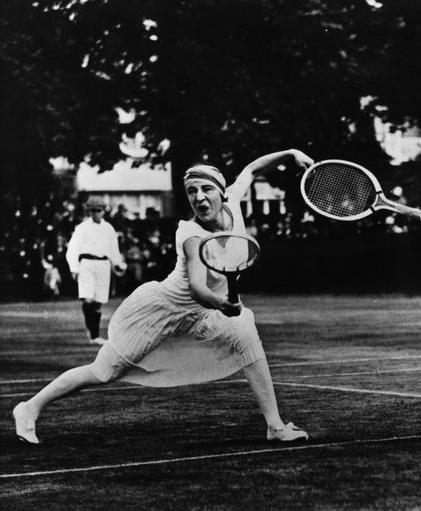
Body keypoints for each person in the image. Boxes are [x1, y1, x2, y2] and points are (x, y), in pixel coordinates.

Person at [13, 150, 314, 445]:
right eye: (191, 191)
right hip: (164, 311)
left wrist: (290, 154)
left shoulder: (234, 202)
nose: (199, 197)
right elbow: (197, 288)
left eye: (207, 189)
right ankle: (29, 407)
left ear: (223, 193)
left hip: (202, 315)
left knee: (246, 335)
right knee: (104, 372)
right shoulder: (191, 234)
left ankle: (274, 426)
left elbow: (251, 169)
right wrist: (222, 303)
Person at [65, 197, 127, 344]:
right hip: (86, 263)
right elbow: (72, 249)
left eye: (98, 210)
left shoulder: (108, 228)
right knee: (88, 299)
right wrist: (74, 268)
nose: (95, 213)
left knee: (98, 301)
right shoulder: (82, 228)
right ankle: (93, 334)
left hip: (103, 264)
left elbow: (114, 250)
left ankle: (95, 335)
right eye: (92, 211)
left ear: (103, 211)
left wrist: (118, 264)